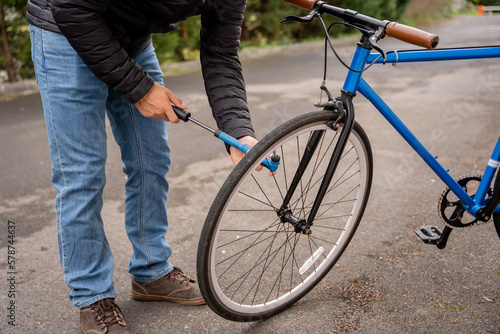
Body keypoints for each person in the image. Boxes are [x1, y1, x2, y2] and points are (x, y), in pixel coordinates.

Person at [26, 0, 257, 332]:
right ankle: (92, 296)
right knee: (81, 173)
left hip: (131, 40)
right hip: (65, 32)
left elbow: (221, 55)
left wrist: (240, 133)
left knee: (151, 158)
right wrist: (141, 89)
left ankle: (151, 272)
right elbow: (71, 7)